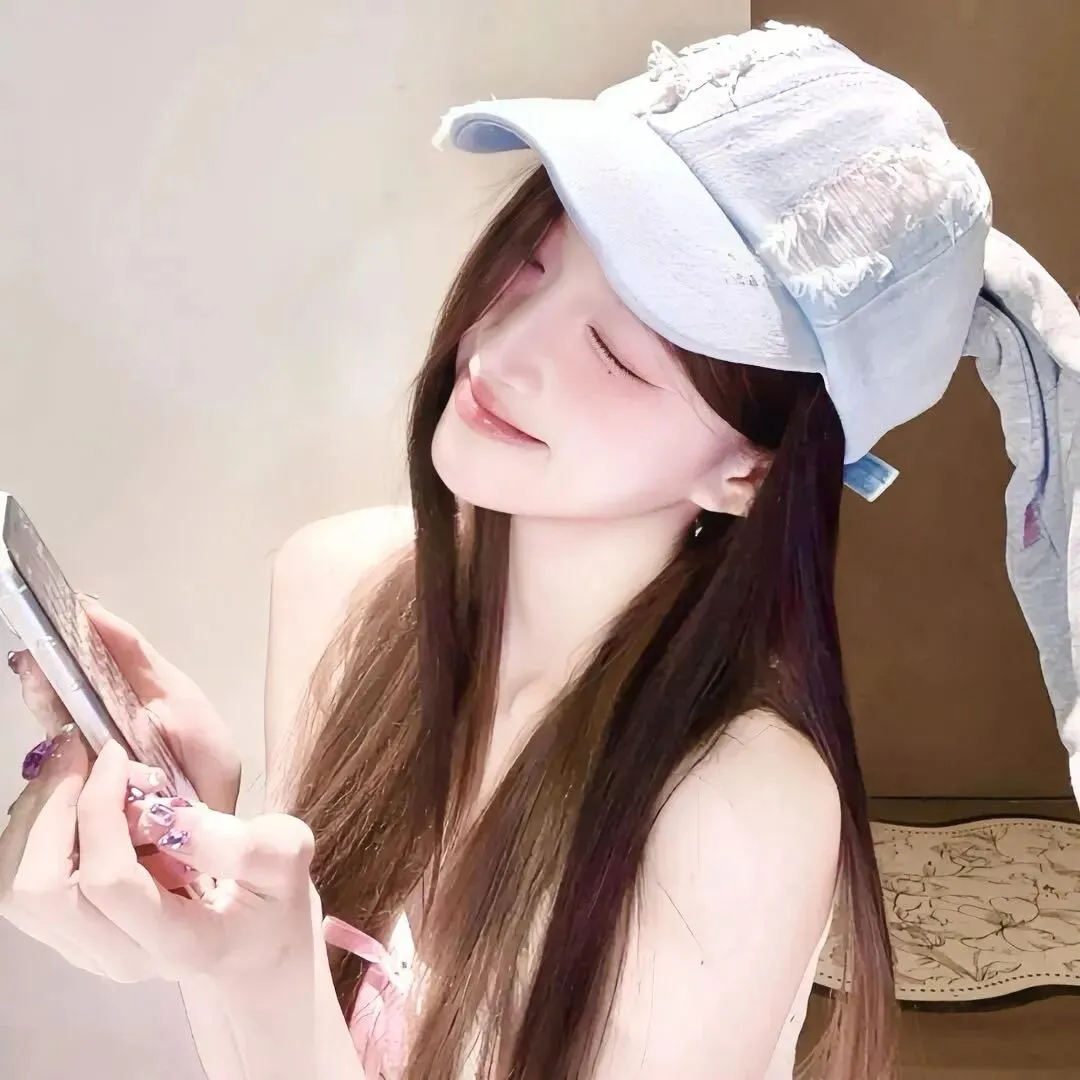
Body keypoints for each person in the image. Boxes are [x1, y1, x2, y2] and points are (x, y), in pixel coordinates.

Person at [0, 20, 997, 1080]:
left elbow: (274, 1014)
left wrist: (258, 972)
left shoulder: (738, 806)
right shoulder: (334, 585)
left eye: (617, 353)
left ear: (749, 473)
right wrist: (204, 879)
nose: (502, 350)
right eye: (529, 267)